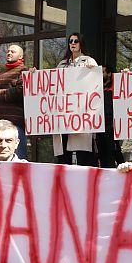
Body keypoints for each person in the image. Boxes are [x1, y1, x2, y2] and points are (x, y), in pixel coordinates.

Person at [49, 32, 100, 166]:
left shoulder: (89, 61)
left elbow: (96, 85)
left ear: (81, 43)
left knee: (83, 154)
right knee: (63, 154)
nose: (72, 43)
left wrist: (93, 71)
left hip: (81, 113)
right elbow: (53, 85)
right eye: (70, 41)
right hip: (64, 114)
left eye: (75, 41)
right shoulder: (62, 64)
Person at [0, 43, 28, 159]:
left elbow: (21, 91)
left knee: (16, 158)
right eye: (8, 51)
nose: (9, 53)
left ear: (20, 56)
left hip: (15, 124)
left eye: (13, 51)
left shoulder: (24, 71)